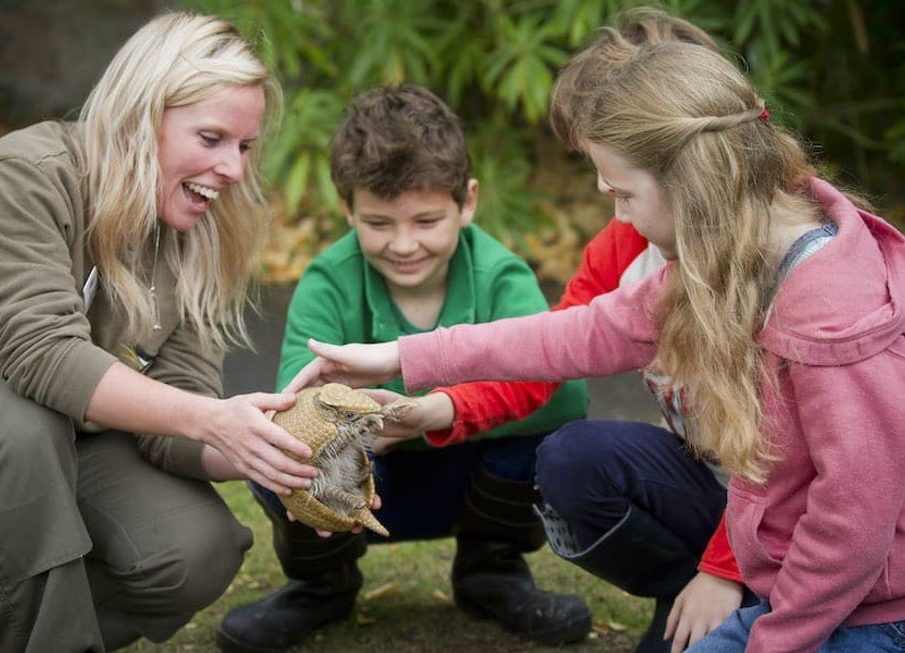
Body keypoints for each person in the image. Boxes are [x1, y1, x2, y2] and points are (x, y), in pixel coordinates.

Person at [288, 33, 905, 653]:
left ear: (693, 183)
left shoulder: (832, 316)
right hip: (787, 576)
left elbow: (854, 520)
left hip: (868, 611)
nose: (621, 220)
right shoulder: (721, 259)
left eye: (624, 195)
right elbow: (578, 333)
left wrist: (773, 636)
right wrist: (404, 357)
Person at [315, 11, 751, 653]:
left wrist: (729, 567)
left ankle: (743, 592)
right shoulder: (626, 246)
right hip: (714, 487)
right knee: (574, 461)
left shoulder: (779, 263)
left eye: (615, 172)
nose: (604, 190)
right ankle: (681, 587)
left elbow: (800, 456)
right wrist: (437, 405)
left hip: (794, 512)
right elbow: (546, 349)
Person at [0, 11, 319, 652]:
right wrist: (207, 418)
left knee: (196, 549)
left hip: (43, 454)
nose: (235, 170)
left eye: (244, 147)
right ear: (142, 113)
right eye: (212, 137)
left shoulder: (192, 229)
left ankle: (45, 628)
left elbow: (181, 399)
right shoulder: (23, 178)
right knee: (13, 418)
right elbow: (42, 358)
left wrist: (275, 452)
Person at [216, 84, 593, 653]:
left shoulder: (501, 275)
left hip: (473, 479)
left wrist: (425, 411)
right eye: (378, 223)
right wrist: (359, 430)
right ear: (347, 209)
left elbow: (566, 395)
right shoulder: (327, 279)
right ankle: (322, 586)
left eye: (425, 220)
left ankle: (491, 572)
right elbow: (294, 404)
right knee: (275, 454)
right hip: (368, 483)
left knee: (551, 440)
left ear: (466, 202)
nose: (404, 244)